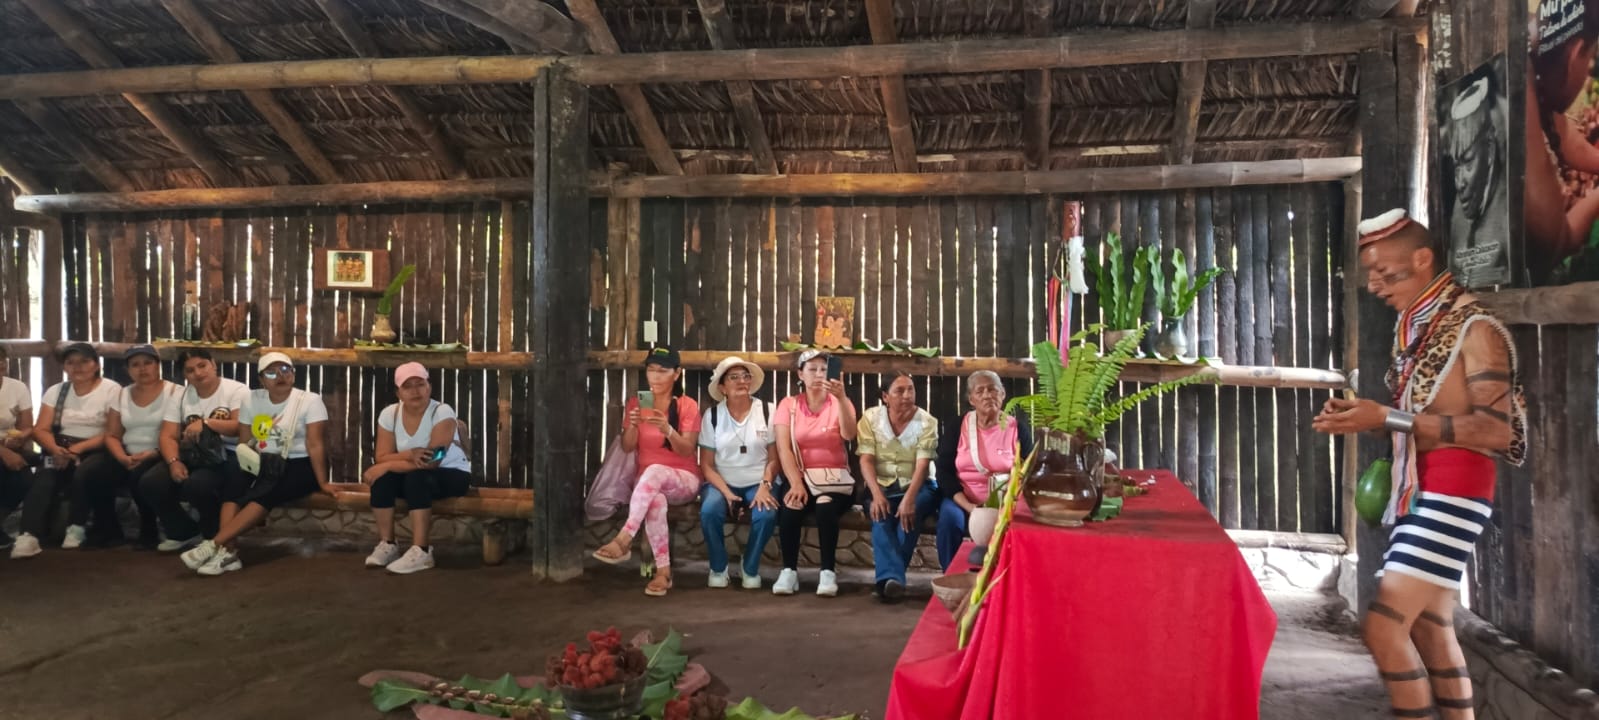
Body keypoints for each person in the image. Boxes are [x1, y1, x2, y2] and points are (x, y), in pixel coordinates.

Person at [1312, 210, 1526, 720]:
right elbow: (1417, 420)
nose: (1374, 285)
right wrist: (1368, 419)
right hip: (1423, 487)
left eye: (1385, 272)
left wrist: (1388, 417)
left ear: (1423, 259)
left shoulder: (1476, 329)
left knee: (1384, 627)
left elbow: (1500, 432)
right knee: (1431, 627)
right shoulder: (1419, 328)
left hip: (1456, 492)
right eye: (1370, 273)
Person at [180, 352, 334, 576]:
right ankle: (228, 553)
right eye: (271, 373)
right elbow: (244, 442)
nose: (280, 376)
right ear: (261, 379)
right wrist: (246, 468)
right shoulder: (252, 399)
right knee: (233, 481)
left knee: (269, 491)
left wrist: (323, 482)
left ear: (293, 374)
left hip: (300, 463)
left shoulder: (309, 400)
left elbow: (315, 444)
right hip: (263, 460)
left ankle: (214, 544)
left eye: (285, 370)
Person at [592, 347, 703, 597]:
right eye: (651, 370)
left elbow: (687, 450)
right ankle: (663, 573)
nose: (655, 376)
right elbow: (627, 446)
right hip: (648, 486)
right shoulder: (637, 402)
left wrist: (668, 430)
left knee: (654, 471)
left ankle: (623, 539)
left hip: (684, 480)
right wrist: (632, 425)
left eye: (662, 371)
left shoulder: (687, 405)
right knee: (655, 501)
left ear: (677, 374)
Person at [361, 362, 472, 575]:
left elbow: (433, 460)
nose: (415, 391)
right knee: (382, 480)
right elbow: (381, 456)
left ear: (429, 387)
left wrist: (389, 465)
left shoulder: (442, 411)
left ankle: (422, 550)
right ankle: (388, 544)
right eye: (407, 386)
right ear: (398, 393)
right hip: (415, 471)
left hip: (452, 475)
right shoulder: (390, 414)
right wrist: (410, 454)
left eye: (420, 384)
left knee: (416, 479)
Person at [13, 343, 123, 558]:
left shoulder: (111, 389)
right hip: (60, 449)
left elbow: (114, 432)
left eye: (84, 361)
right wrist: (55, 450)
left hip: (97, 449)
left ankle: (76, 526)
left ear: (96, 365)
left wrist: (76, 450)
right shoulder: (57, 391)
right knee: (45, 474)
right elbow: (40, 429)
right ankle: (28, 534)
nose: (77, 367)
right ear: (64, 367)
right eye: (70, 362)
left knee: (85, 471)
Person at [140, 348, 248, 553]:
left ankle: (213, 535)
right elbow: (167, 435)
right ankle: (182, 531)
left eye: (202, 366)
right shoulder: (181, 396)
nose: (198, 373)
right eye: (190, 370)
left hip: (228, 453)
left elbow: (241, 427)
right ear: (184, 374)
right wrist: (174, 462)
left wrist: (207, 423)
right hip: (194, 453)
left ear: (213, 364)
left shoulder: (237, 390)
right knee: (151, 482)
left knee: (197, 485)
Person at [771, 349, 859, 597]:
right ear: (800, 374)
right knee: (791, 504)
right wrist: (795, 483)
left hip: (834, 480)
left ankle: (827, 572)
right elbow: (784, 448)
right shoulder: (788, 405)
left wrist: (841, 398)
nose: (819, 374)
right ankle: (789, 571)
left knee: (825, 505)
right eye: (812, 369)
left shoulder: (840, 402)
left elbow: (849, 435)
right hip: (801, 477)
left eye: (824, 369)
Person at [1525, 0, 1599, 282]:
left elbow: (1565, 137)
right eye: (1589, 59)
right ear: (1576, 53)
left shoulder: (1535, 65)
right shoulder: (1522, 101)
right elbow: (1554, 243)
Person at [934, 370, 1034, 570]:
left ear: (1002, 394)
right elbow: (943, 472)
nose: (987, 395)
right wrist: (970, 508)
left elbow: (1030, 471)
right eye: (980, 391)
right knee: (949, 520)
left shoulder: (1017, 429)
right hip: (963, 499)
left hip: (1005, 503)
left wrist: (1009, 503)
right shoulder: (958, 427)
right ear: (971, 399)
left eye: (992, 389)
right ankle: (951, 574)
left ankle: (1004, 577)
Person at [697, 356, 780, 590]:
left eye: (745, 376)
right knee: (709, 510)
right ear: (722, 387)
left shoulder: (767, 410)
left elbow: (775, 459)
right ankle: (718, 566)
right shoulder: (713, 416)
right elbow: (706, 465)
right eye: (734, 377)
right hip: (721, 482)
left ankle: (750, 566)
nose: (742, 381)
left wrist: (765, 485)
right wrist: (726, 493)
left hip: (759, 481)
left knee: (766, 514)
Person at [856, 371, 940, 603]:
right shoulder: (870, 419)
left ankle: (888, 580)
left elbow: (923, 465)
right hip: (881, 486)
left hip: (919, 486)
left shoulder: (927, 422)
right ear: (885, 396)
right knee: (880, 515)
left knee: (909, 516)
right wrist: (876, 494)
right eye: (899, 391)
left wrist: (909, 499)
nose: (907, 395)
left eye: (910, 389)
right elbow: (866, 460)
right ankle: (892, 581)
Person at [102, 344, 179, 549]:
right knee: (93, 472)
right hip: (128, 453)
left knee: (140, 476)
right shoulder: (121, 394)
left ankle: (149, 529)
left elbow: (178, 434)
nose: (142, 368)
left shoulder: (176, 392)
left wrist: (153, 453)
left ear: (158, 365)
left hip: (161, 453)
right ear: (128, 370)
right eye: (135, 365)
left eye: (148, 363)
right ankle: (107, 530)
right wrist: (122, 457)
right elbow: (111, 435)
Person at [1444, 74, 1510, 287]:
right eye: (1456, 167)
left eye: (1468, 162)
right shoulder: (1458, 215)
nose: (1459, 182)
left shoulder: (1509, 210)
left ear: (1489, 148)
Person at [0, 345, 35, 551]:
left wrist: (19, 439)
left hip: (9, 445)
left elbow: (27, 426)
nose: (0, 364)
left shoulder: (17, 387)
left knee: (25, 478)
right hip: (3, 450)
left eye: (1, 359)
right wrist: (4, 452)